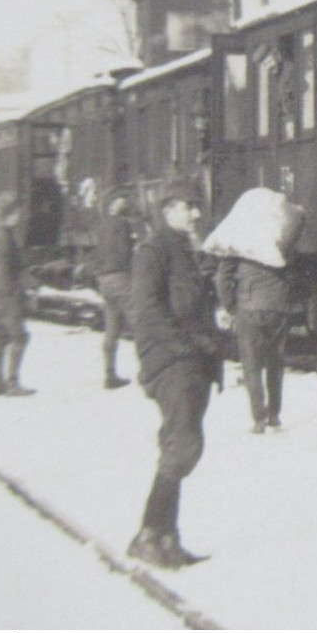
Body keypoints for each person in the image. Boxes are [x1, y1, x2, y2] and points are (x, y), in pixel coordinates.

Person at [127, 179, 221, 570]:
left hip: (192, 359)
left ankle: (166, 536)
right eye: (189, 206)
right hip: (172, 360)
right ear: (168, 211)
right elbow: (146, 309)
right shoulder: (153, 251)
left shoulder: (185, 249)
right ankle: (149, 535)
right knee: (182, 445)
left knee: (181, 445)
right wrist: (185, 347)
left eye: (197, 206)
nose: (197, 213)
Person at [215, 251, 296, 434]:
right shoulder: (277, 237)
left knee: (252, 365)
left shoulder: (239, 242)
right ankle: (274, 416)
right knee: (275, 362)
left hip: (249, 308)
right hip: (278, 308)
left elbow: (222, 278)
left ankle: (259, 419)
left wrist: (230, 305)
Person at [0, 203, 34, 397]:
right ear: (9, 216)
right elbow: (3, 270)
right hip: (6, 297)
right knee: (20, 337)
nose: (18, 218)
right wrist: (15, 293)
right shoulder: (5, 238)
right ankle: (13, 384)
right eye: (16, 215)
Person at [96, 188, 137, 390]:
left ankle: (109, 374)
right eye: (122, 200)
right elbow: (125, 252)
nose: (124, 203)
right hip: (121, 278)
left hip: (105, 280)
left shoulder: (102, 225)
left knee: (111, 328)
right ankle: (149, 372)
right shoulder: (123, 224)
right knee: (138, 322)